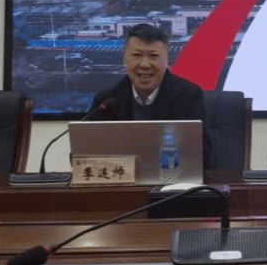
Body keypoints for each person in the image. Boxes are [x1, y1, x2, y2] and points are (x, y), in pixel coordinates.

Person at [89, 23, 214, 168]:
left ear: (166, 60)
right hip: (121, 178)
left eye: (153, 56)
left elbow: (202, 154)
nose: (145, 65)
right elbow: (85, 154)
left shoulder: (188, 96)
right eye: (137, 55)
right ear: (124, 58)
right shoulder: (106, 100)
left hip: (171, 178)